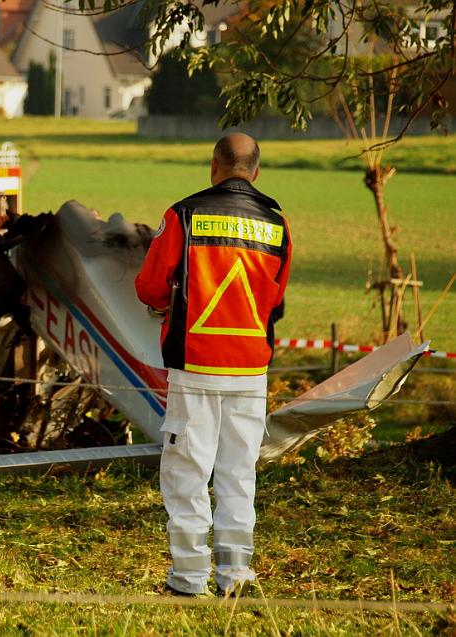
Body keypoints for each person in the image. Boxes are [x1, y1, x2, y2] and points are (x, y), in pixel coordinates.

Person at [134, 133, 292, 597]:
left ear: (214, 166)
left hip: (196, 364)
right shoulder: (278, 224)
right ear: (256, 172)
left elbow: (149, 288)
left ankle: (187, 579)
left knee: (187, 474)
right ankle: (237, 576)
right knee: (239, 474)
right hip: (250, 370)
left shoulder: (182, 215)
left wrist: (170, 303)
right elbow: (275, 300)